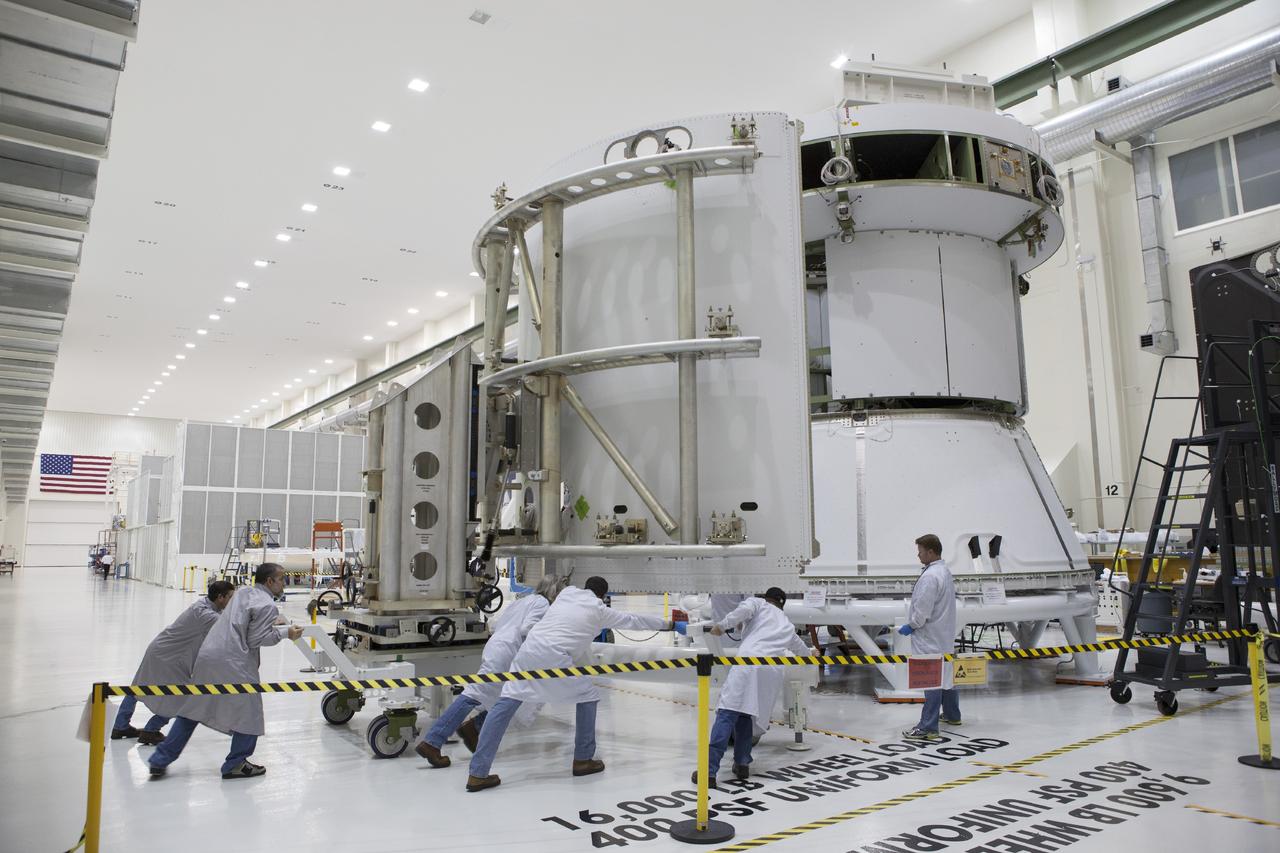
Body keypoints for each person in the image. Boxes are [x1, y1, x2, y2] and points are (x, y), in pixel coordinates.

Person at [465, 576, 672, 792]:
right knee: (588, 696)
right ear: (602, 595)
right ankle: (583, 759)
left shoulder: (566, 594)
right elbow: (634, 620)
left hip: (527, 651)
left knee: (505, 704)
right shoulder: (599, 610)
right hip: (554, 658)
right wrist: (669, 624)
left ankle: (477, 773)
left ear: (585, 587)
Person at [148, 563, 304, 779]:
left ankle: (159, 759)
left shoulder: (243, 592)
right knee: (249, 712)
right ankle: (236, 763)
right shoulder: (267, 605)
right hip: (233, 660)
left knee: (192, 708)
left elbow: (242, 620)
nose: (284, 583)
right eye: (281, 579)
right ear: (269, 581)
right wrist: (287, 633)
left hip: (209, 655)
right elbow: (256, 639)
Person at [416, 575, 565, 766]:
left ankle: (473, 728)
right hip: (507, 654)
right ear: (555, 592)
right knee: (474, 695)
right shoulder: (542, 604)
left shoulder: (523, 600)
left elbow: (497, 623)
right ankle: (432, 741)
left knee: (509, 699)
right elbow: (527, 630)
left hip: (497, 647)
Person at [693, 588, 814, 787]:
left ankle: (708, 771)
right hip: (770, 673)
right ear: (782, 604)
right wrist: (812, 654)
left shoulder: (758, 603)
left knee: (727, 713)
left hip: (749, 664)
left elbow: (743, 610)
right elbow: (801, 649)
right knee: (746, 714)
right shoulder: (787, 624)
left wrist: (722, 626)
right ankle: (742, 764)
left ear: (767, 598)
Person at [113, 581, 236, 745]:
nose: (233, 601)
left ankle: (120, 726)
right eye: (231, 597)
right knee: (184, 696)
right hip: (170, 658)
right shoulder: (205, 614)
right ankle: (151, 730)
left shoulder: (204, 606)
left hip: (161, 649)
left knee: (138, 687)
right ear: (220, 597)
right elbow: (232, 627)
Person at [900, 534, 959, 742]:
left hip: (929, 637)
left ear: (931, 552)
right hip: (943, 635)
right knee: (946, 676)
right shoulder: (944, 571)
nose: (918, 555)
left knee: (931, 680)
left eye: (921, 551)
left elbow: (922, 611)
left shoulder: (930, 577)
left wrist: (911, 625)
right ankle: (953, 715)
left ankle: (928, 727)